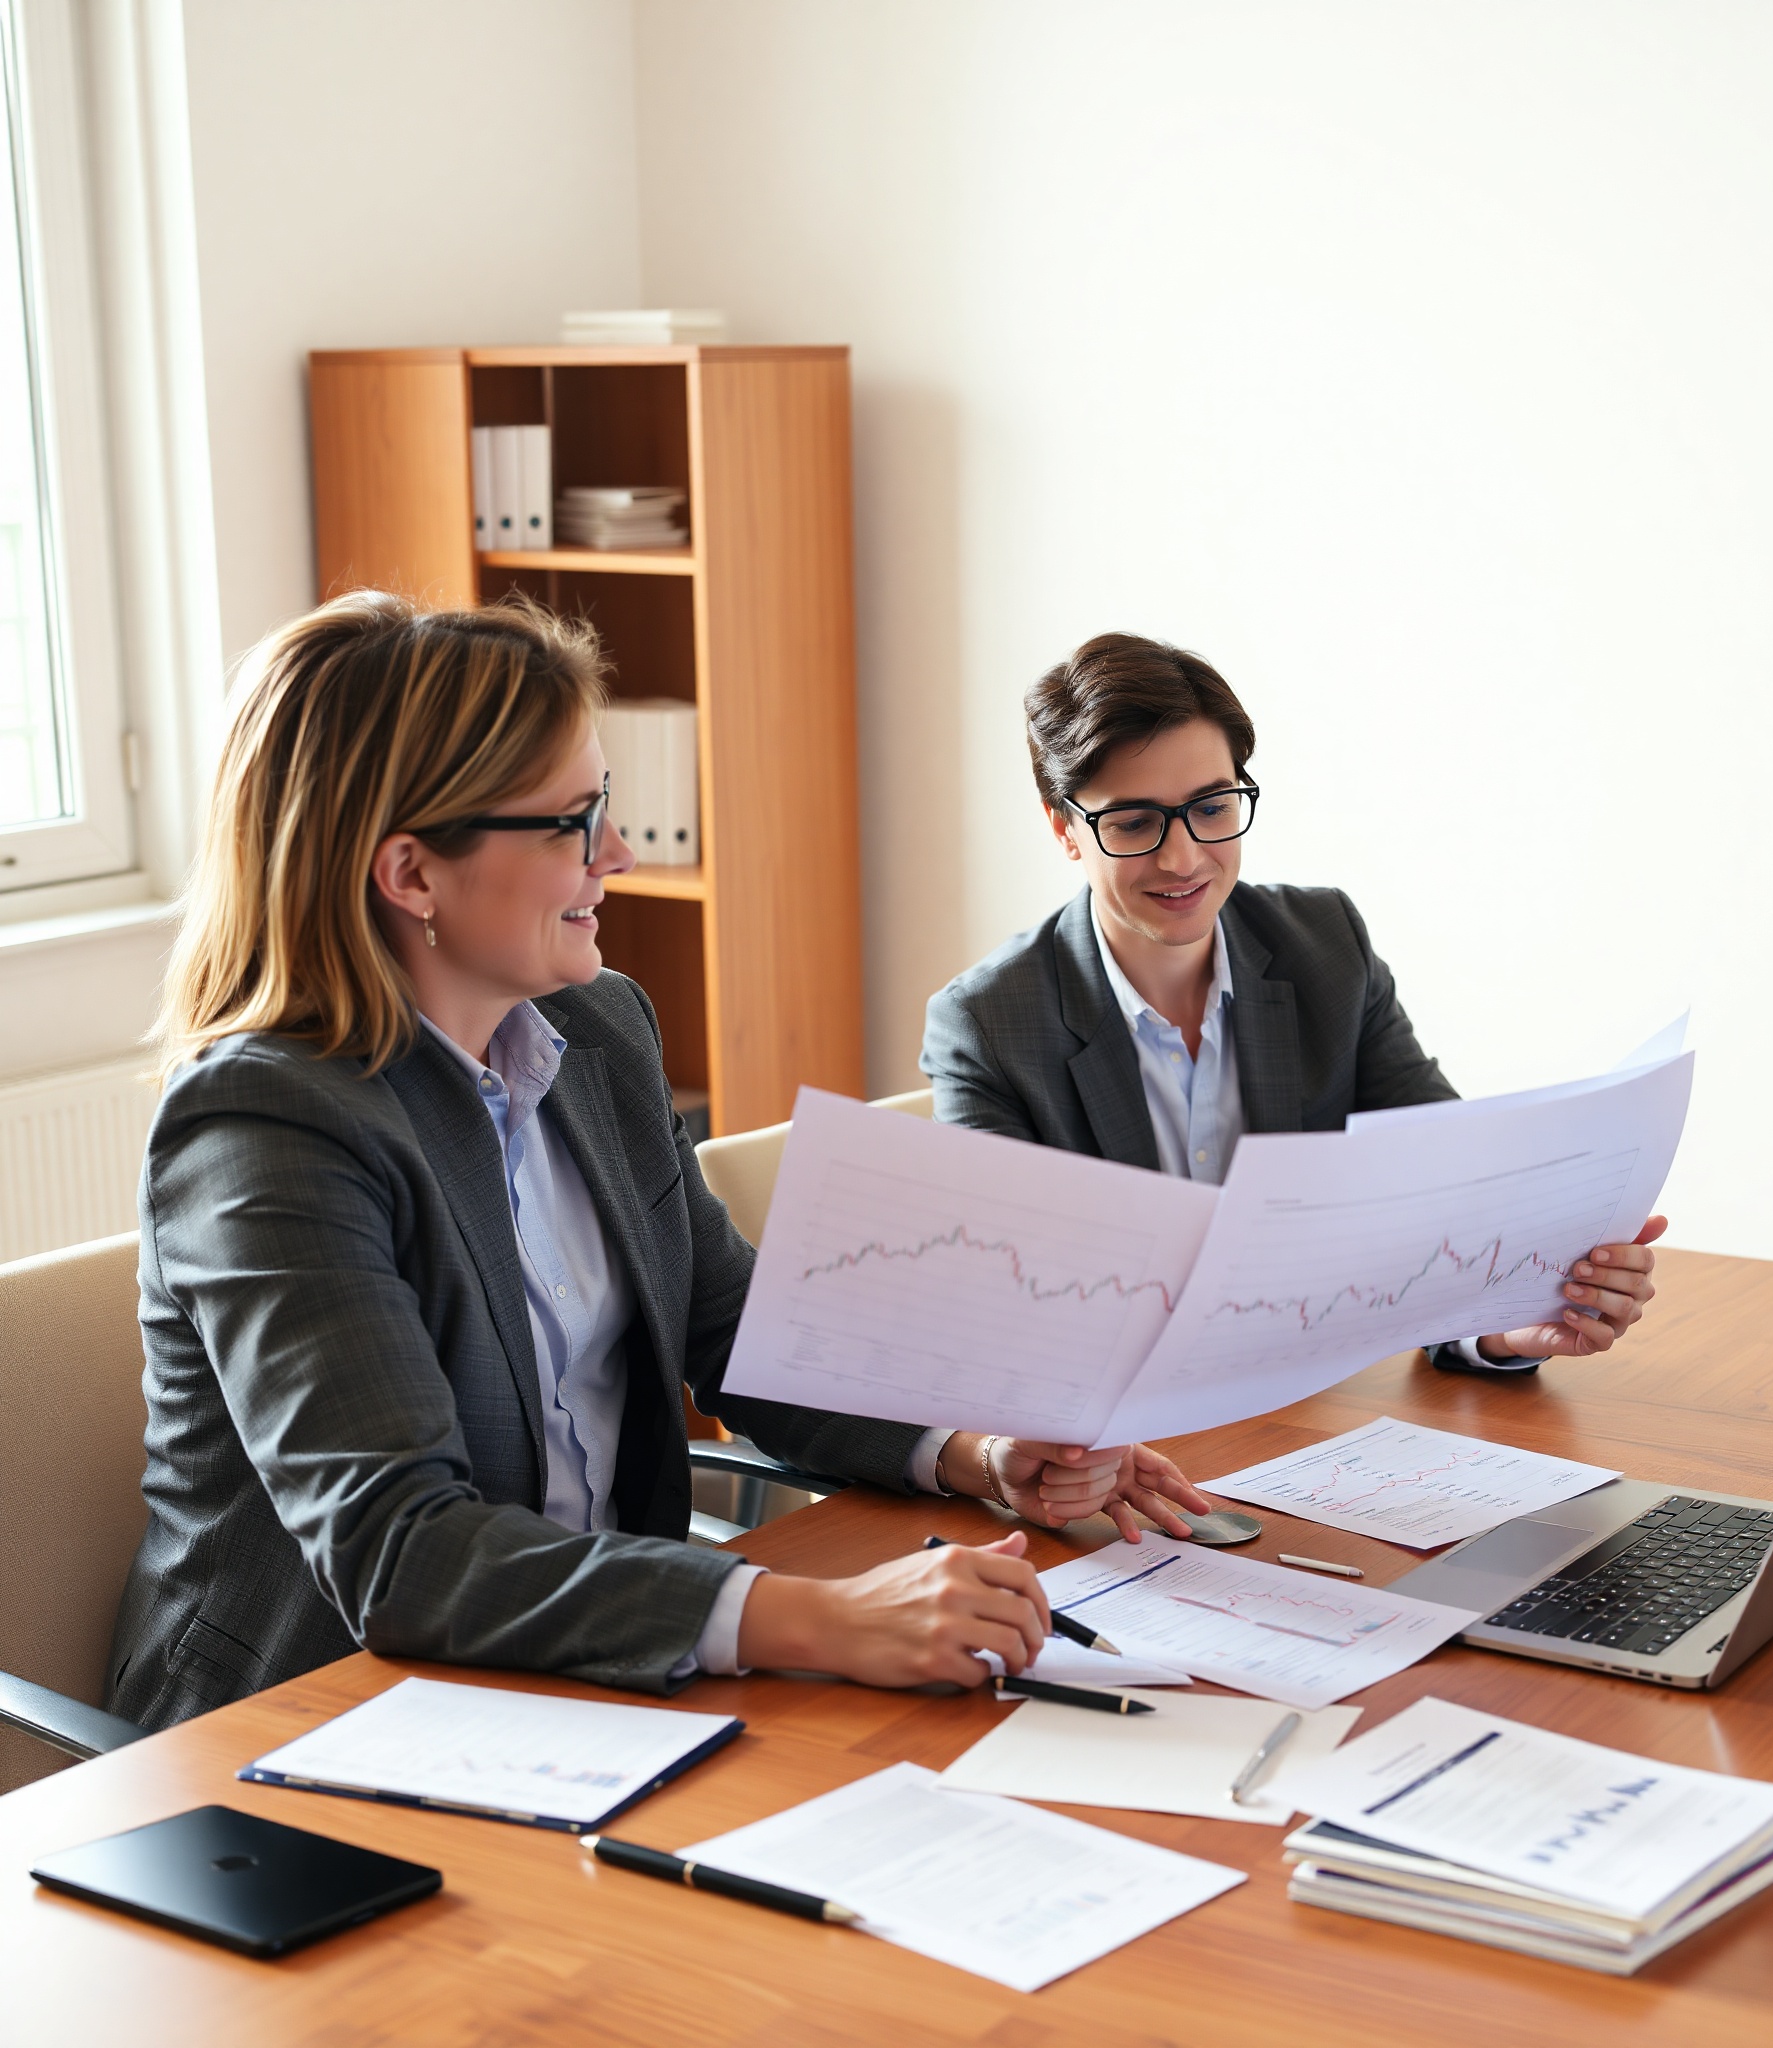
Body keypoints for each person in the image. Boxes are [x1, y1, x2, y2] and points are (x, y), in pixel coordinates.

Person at [109, 593, 1203, 1731]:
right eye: (572, 822)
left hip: (581, 1668)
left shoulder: (597, 1031)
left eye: (609, 807)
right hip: (309, 1724)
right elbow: (400, 1550)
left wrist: (973, 1451)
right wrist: (820, 1614)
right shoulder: (265, 1126)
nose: (618, 854)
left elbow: (737, 1329)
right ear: (411, 874)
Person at [921, 631, 1665, 1444]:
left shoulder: (1325, 949)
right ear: (1064, 828)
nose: (1184, 857)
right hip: (1121, 1452)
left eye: (1211, 808)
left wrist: (1507, 1325)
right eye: (1134, 822)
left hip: (1312, 1426)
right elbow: (1004, 1322)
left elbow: (1448, 1206)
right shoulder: (988, 1026)